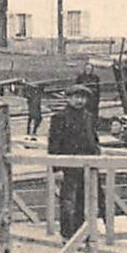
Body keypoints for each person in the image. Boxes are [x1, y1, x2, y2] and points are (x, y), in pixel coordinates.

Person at [49, 84, 102, 241]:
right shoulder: (59, 118)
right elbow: (54, 144)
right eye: (76, 97)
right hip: (68, 166)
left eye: (83, 97)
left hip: (88, 165)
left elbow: (93, 139)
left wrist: (97, 155)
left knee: (85, 201)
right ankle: (67, 235)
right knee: (68, 202)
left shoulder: (89, 116)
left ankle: (82, 232)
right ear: (68, 99)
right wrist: (56, 168)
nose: (80, 101)